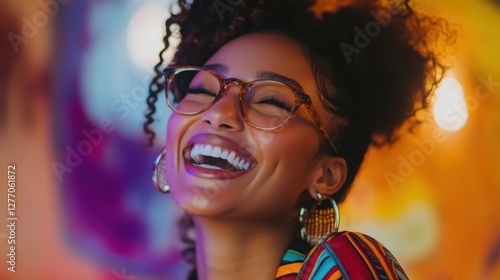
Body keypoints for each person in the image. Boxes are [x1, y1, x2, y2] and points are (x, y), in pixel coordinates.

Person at [144, 0, 453, 279]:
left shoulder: (347, 270)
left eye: (271, 102)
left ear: (325, 174)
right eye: (203, 90)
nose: (220, 112)